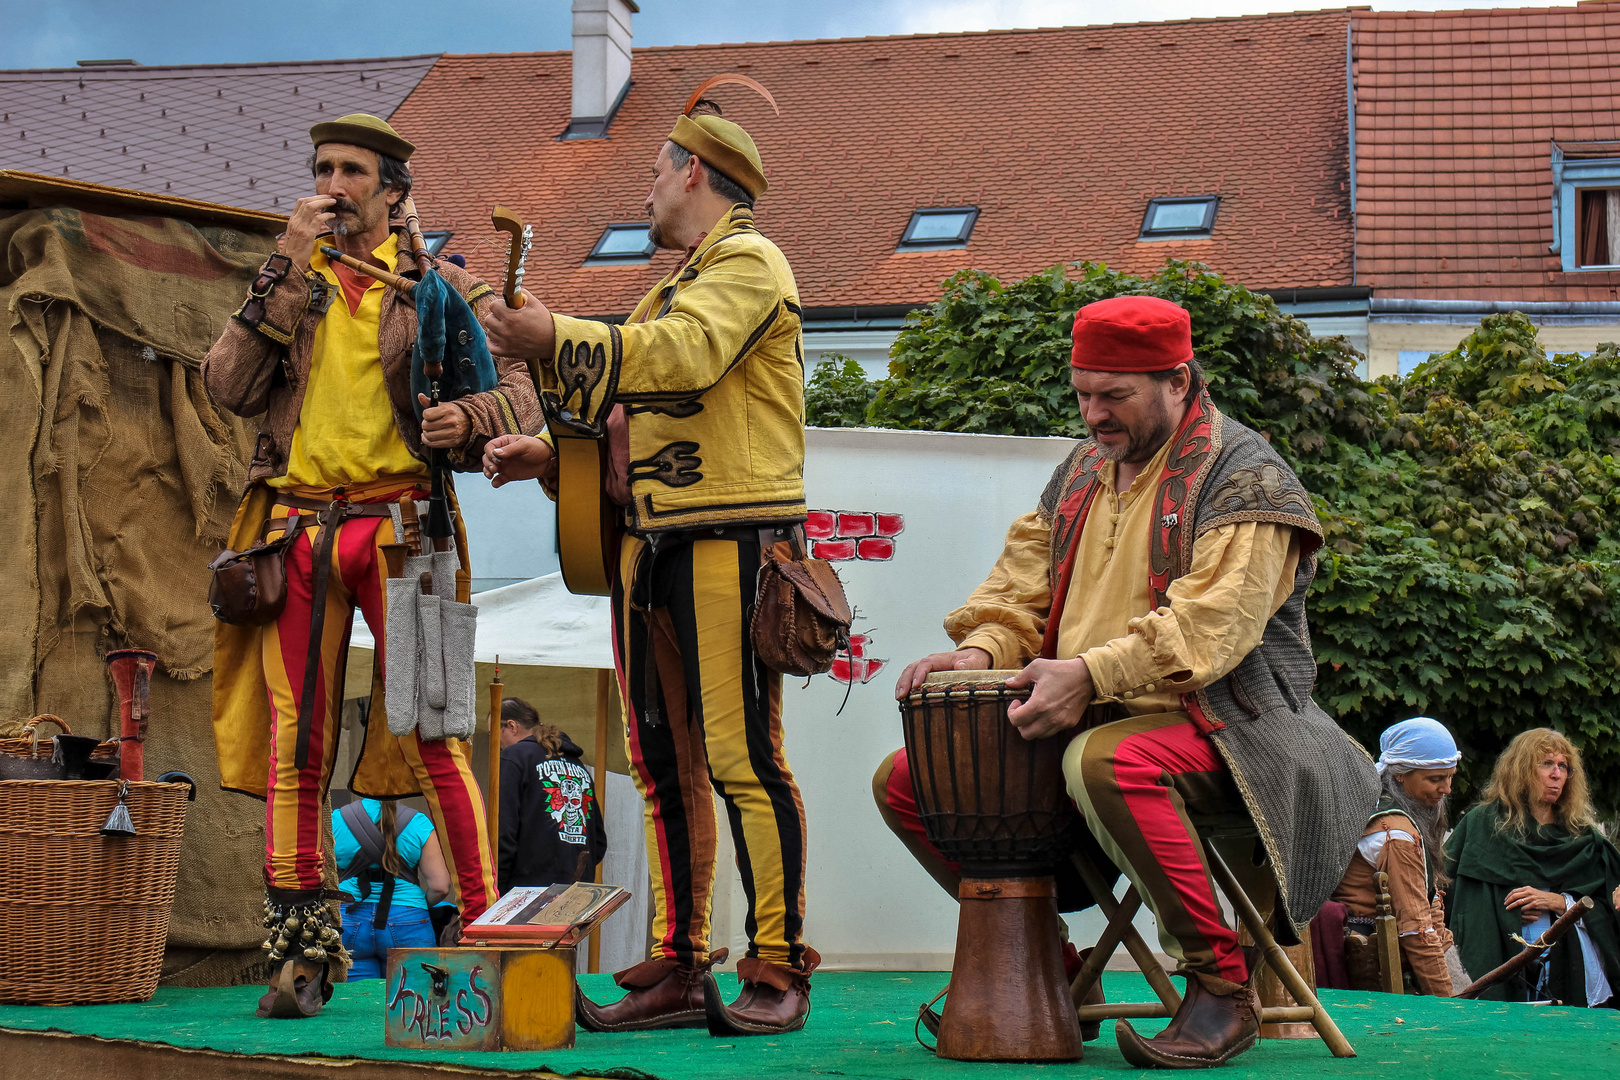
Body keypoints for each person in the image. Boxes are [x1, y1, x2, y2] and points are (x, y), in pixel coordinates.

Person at [879, 295, 1379, 1068]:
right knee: (910, 780)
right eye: (1083, 393)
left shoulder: (1248, 481)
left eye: (1114, 395)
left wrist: (1090, 673)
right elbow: (1019, 595)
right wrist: (980, 652)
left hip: (1241, 728)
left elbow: (1207, 634)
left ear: (1179, 380)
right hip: (1093, 714)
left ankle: (1221, 988)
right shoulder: (1080, 471)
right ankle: (1042, 959)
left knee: (1108, 758)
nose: (1094, 414)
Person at [479, 92, 816, 1036]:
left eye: (657, 169)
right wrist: (550, 453)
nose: (651, 185)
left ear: (695, 172)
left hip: (729, 540)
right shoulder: (672, 282)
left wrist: (553, 337)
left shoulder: (749, 260)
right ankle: (681, 962)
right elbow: (625, 410)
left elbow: (685, 359)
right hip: (653, 548)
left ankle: (779, 965)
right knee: (665, 765)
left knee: (746, 759)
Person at [202, 113, 539, 1018]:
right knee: (295, 749)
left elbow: (523, 400)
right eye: (322, 168)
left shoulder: (439, 287)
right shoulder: (291, 283)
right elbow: (224, 387)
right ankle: (304, 956)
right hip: (299, 533)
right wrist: (279, 265)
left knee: (437, 734)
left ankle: (482, 939)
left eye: (352, 170)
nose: (333, 183)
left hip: (407, 529)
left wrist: (465, 422)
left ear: (394, 192)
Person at [1445, 728, 1620, 1006]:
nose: (1557, 774)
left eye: (1563, 766)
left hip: (1565, 964)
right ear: (1520, 770)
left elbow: (1610, 909)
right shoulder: (1481, 825)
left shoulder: (1583, 837)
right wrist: (1502, 914)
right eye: (1546, 764)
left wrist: (1561, 903)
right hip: (1498, 959)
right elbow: (1449, 896)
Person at [1324, 717, 1467, 996]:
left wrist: (1448, 953)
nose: (1447, 789)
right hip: (1375, 965)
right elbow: (1416, 929)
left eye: (1450, 776)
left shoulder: (1370, 803)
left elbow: (1427, 903)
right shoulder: (1396, 835)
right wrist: (1448, 1002)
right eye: (1435, 779)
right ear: (1400, 774)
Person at [331, 798, 450, 979]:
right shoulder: (418, 821)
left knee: (355, 999)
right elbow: (440, 887)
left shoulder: (337, 819)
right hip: (409, 921)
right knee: (411, 999)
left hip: (348, 916)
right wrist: (414, 904)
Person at [499, 697, 606, 893]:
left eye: (494, 733)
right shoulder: (577, 765)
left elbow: (503, 832)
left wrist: (498, 887)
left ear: (512, 726)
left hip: (525, 894)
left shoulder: (513, 758)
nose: (496, 743)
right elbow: (598, 841)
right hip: (577, 891)